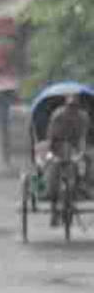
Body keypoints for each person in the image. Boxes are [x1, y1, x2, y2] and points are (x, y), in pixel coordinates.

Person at [45, 94, 91, 223]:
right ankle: (54, 210)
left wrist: (80, 153)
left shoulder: (83, 118)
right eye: (70, 107)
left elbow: (82, 137)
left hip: (75, 147)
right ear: (66, 105)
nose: (72, 110)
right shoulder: (57, 116)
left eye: (74, 107)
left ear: (78, 106)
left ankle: (85, 186)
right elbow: (51, 137)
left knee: (86, 162)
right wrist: (51, 154)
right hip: (57, 147)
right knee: (53, 177)